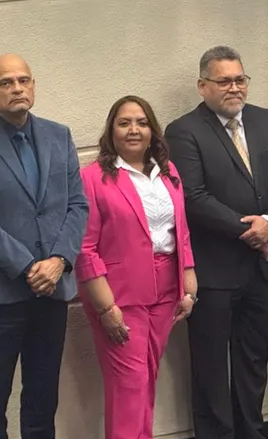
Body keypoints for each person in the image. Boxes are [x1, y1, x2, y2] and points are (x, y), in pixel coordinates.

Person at [165, 46, 268, 439]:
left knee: (254, 359)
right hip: (215, 271)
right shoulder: (184, 130)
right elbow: (192, 197)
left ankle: (250, 432)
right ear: (202, 86)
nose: (234, 88)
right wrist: (251, 232)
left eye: (240, 79)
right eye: (223, 81)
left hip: (263, 268)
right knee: (210, 365)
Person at [0, 54, 88, 439]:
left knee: (43, 401)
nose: (17, 89)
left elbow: (77, 205)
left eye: (24, 80)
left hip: (53, 292)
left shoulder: (59, 135)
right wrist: (30, 267)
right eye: (6, 82)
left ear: (34, 86)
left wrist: (60, 260)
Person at [75, 95, 198, 438]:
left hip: (164, 291)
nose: (134, 130)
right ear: (111, 131)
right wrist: (105, 308)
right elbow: (85, 249)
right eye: (124, 122)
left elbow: (181, 231)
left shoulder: (169, 172)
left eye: (142, 123)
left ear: (152, 130)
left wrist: (188, 283)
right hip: (117, 295)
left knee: (147, 379)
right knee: (129, 385)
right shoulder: (94, 178)